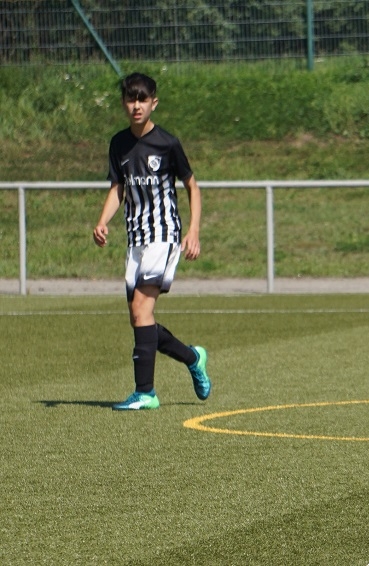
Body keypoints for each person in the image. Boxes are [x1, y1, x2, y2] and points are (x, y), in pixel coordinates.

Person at [93, 72, 211, 411]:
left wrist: (193, 230)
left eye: (142, 99)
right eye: (131, 99)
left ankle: (145, 392)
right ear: (123, 103)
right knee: (139, 318)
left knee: (141, 310)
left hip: (164, 235)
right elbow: (117, 189)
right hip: (136, 239)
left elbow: (192, 186)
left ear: (153, 103)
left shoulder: (167, 143)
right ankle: (192, 357)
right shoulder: (118, 144)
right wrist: (102, 221)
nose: (136, 106)